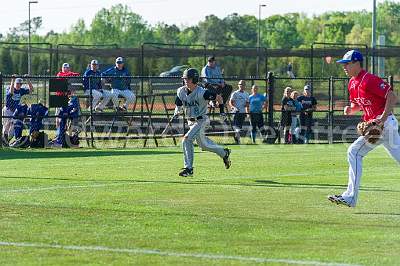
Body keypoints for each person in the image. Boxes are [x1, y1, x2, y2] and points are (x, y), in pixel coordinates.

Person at [328, 50, 400, 207]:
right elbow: (358, 105)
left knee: (353, 151)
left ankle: (350, 197)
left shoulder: (369, 80)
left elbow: (392, 97)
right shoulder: (352, 83)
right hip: (378, 128)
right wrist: (351, 110)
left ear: (356, 63)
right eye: (343, 64)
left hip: (385, 124)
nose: (344, 67)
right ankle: (349, 196)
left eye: (347, 64)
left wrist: (381, 117)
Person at [174, 68, 231, 177]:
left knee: (186, 140)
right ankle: (224, 153)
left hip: (201, 120)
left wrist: (222, 111)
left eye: (188, 79)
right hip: (190, 121)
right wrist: (177, 110)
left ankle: (189, 169)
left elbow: (219, 97)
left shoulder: (202, 92)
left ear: (195, 79)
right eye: (185, 79)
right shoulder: (181, 90)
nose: (186, 81)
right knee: (203, 145)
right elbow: (178, 101)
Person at [2, 76, 33, 144]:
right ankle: (4, 140)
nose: (19, 85)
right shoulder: (9, 88)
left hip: (15, 111)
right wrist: (12, 80)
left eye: (20, 84)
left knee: (13, 128)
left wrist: (28, 80)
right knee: (6, 126)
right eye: (17, 83)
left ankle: (7, 141)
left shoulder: (22, 90)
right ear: (15, 83)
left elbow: (31, 90)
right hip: (8, 110)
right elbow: (11, 92)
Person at [229, 80, 250, 144]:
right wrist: (233, 107)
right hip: (236, 112)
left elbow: (247, 103)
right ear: (238, 85)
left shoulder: (246, 94)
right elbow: (230, 102)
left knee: (239, 127)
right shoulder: (235, 93)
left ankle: (237, 140)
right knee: (236, 127)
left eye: (243, 85)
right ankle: (238, 140)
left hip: (242, 112)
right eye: (240, 84)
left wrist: (247, 105)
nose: (241, 86)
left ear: (244, 86)